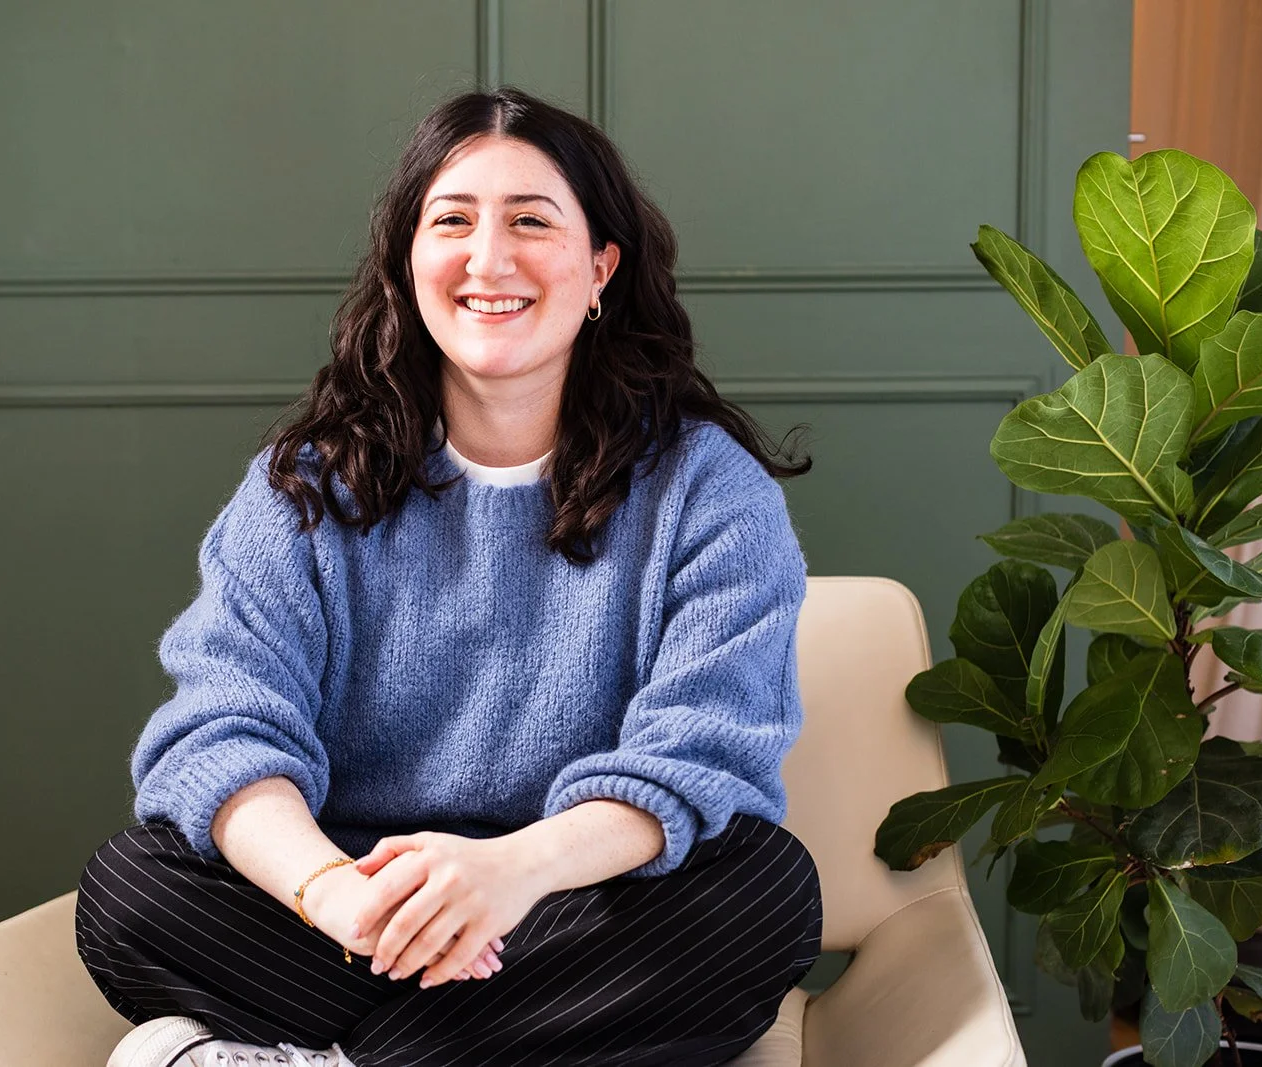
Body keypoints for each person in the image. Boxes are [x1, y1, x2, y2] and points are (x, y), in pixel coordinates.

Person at [75, 84, 821, 1067]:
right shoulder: (303, 484)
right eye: (453, 221)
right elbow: (224, 729)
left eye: (529, 222)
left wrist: (509, 871)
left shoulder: (706, 488)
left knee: (763, 892)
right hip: (354, 905)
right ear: (408, 263)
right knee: (133, 888)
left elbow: (699, 753)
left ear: (600, 267)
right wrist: (337, 894)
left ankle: (331, 1061)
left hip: (570, 891)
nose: (487, 258)